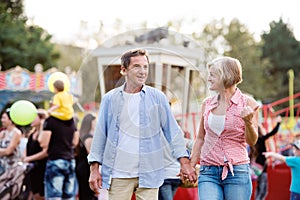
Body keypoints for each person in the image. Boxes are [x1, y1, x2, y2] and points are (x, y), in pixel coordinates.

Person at [88, 48, 196, 200]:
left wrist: (184, 162)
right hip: (118, 174)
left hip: (150, 173)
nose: (142, 71)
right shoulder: (109, 99)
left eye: (145, 67)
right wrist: (94, 169)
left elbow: (173, 132)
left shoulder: (158, 98)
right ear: (124, 70)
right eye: (137, 66)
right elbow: (100, 136)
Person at [190, 56, 260, 200]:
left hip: (237, 172)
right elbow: (200, 138)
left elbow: (252, 141)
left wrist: (248, 122)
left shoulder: (248, 103)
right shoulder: (207, 104)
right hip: (208, 170)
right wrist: (190, 165)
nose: (209, 78)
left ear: (225, 75)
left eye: (212, 75)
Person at [40, 108, 79, 199]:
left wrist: (44, 124)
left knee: (54, 196)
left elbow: (43, 142)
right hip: (70, 160)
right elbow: (75, 141)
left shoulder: (50, 120)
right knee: (69, 196)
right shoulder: (71, 120)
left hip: (56, 160)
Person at [253, 115, 282, 200]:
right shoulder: (260, 139)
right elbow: (273, 132)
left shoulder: (254, 141)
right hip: (261, 166)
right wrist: (278, 123)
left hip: (257, 166)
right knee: (263, 189)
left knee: (259, 188)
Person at [22, 109, 48, 200]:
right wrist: (25, 158)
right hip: (31, 168)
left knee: (40, 194)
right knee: (33, 193)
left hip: (41, 167)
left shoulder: (44, 134)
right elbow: (26, 149)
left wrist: (29, 159)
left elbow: (45, 152)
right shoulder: (31, 134)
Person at [75, 113, 101, 200]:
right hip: (86, 168)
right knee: (89, 193)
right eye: (95, 121)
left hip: (81, 166)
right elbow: (91, 153)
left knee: (84, 192)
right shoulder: (89, 137)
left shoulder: (82, 135)